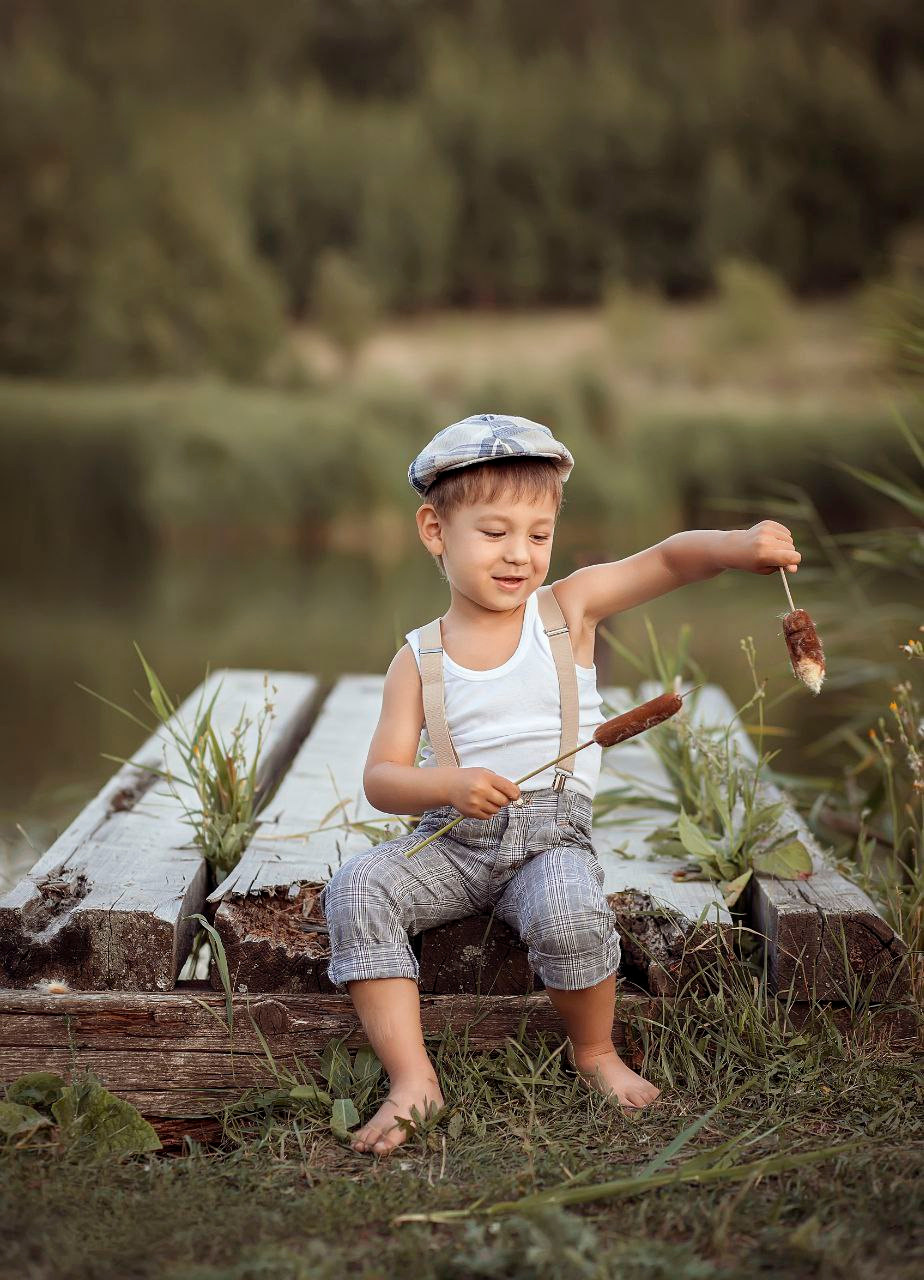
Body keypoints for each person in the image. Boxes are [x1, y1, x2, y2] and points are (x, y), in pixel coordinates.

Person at [319, 413, 801, 1157]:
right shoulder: (417, 658)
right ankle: (412, 1078)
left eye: (538, 535)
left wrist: (738, 547)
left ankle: (594, 1052)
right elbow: (382, 779)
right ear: (434, 530)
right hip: (452, 844)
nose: (520, 555)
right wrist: (445, 784)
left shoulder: (565, 611)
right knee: (356, 888)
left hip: (550, 841)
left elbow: (669, 560)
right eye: (495, 533)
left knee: (573, 912)